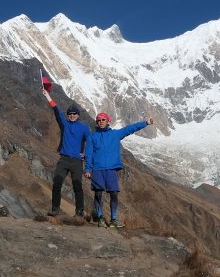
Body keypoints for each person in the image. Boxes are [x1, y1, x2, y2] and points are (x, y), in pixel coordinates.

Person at [84, 111, 154, 228]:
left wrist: (146, 123)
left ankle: (113, 219)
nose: (101, 122)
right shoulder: (92, 136)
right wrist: (87, 169)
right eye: (99, 120)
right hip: (97, 169)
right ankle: (100, 218)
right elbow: (89, 154)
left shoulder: (115, 134)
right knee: (98, 193)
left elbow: (130, 129)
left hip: (111, 169)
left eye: (103, 120)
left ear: (107, 121)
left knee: (114, 194)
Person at [43, 88, 90, 217]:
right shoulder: (65, 124)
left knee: (77, 186)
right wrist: (48, 96)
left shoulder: (84, 128)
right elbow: (56, 110)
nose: (72, 115)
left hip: (76, 161)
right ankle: (55, 208)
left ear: (78, 115)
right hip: (64, 159)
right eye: (70, 114)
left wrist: (86, 155)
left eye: (74, 114)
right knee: (57, 182)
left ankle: (79, 211)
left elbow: (91, 142)